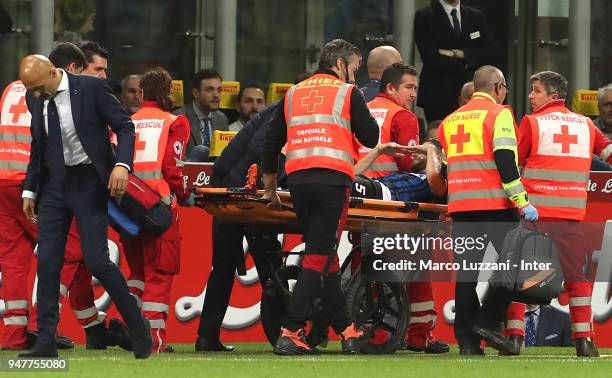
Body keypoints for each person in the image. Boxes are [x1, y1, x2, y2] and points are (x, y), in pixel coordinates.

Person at [17, 55, 152, 358]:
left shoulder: (90, 89)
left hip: (89, 181)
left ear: (53, 73)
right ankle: (45, 343)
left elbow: (125, 127)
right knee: (48, 263)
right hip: (53, 185)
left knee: (97, 261)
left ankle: (136, 325)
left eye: (39, 87)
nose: (36, 95)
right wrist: (29, 189)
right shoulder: (35, 95)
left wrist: (122, 165)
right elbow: (38, 146)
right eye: (32, 90)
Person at [262, 38, 379, 355]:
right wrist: (358, 100)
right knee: (319, 252)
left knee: (326, 256)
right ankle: (291, 330)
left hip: (299, 180)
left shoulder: (293, 93)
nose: (355, 75)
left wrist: (271, 187)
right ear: (340, 64)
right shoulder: (347, 92)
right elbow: (372, 136)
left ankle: (345, 329)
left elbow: (271, 143)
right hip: (332, 180)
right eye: (354, 68)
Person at [504, 71, 612, 358]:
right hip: (570, 215)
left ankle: (514, 339)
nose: (530, 96)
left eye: (536, 91)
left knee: (520, 276)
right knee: (577, 277)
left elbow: (514, 162)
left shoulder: (532, 123)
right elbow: (609, 151)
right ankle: (585, 341)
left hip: (535, 213)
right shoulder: (587, 124)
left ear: (553, 96)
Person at [438, 65, 537, 355]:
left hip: (462, 207)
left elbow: (446, 168)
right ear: (498, 87)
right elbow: (506, 162)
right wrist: (523, 202)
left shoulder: (449, 120)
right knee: (513, 268)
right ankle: (489, 322)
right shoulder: (500, 114)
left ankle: (467, 341)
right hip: (495, 205)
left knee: (467, 274)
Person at [362, 63, 448, 353]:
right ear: (390, 88)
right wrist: (431, 155)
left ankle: (374, 331)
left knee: (373, 266)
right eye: (409, 87)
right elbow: (406, 164)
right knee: (418, 264)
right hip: (397, 202)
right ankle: (420, 333)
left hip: (361, 196)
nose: (414, 94)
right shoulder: (404, 117)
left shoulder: (363, 108)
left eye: (415, 88)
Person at [196, 102, 281, 353]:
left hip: (226, 189)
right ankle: (286, 333)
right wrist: (275, 182)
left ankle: (206, 336)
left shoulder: (276, 109)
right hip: (242, 195)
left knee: (222, 268)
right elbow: (261, 148)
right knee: (271, 264)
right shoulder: (286, 112)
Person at [122, 68, 193, 353]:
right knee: (159, 274)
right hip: (159, 209)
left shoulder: (127, 121)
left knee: (137, 272)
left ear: (141, 94)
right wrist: (186, 194)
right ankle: (154, 339)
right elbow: (172, 169)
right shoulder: (176, 122)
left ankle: (121, 321)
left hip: (127, 208)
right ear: (168, 93)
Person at [415, 0, 495, 122]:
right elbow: (430, 57)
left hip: (472, 94)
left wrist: (454, 53)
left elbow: (488, 52)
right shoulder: (424, 16)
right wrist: (469, 59)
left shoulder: (476, 16)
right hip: (438, 95)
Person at [353, 141, 447, 202]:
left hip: (382, 193)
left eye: (423, 151)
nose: (414, 154)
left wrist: (431, 149)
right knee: (343, 178)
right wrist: (379, 150)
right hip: (373, 186)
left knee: (341, 181)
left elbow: (438, 187)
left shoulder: (434, 181)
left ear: (437, 158)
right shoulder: (408, 175)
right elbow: (352, 174)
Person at [175, 68, 229, 160]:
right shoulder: (179, 118)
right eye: (210, 90)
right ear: (196, 93)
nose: (216, 95)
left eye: (219, 90)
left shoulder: (222, 119)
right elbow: (177, 159)